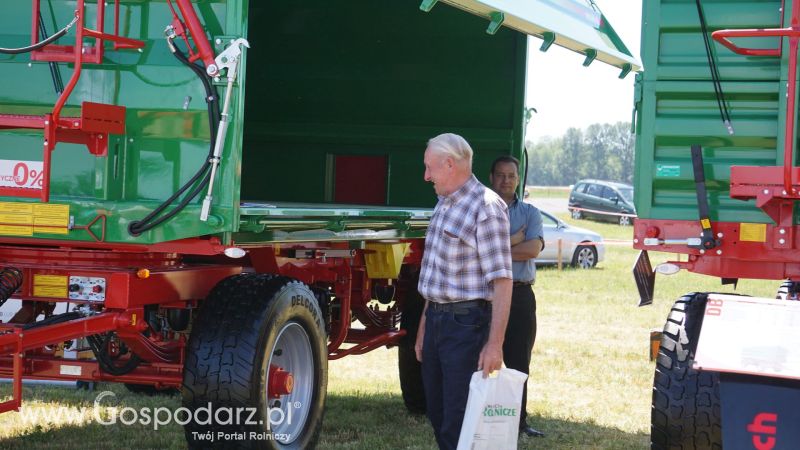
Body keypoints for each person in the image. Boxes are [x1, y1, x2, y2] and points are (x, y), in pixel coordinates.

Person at [415, 133, 514, 450]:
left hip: (466, 326)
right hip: (437, 322)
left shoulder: (487, 207)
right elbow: (435, 276)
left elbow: (502, 281)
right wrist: (423, 327)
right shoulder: (444, 202)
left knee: (460, 419)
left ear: (449, 164)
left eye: (430, 168)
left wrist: (495, 344)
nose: (426, 176)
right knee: (438, 412)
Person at [489, 155, 545, 438]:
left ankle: (519, 423)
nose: (506, 180)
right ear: (491, 177)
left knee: (519, 360)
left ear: (518, 179)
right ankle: (479, 417)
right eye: (500, 175)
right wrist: (514, 242)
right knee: (480, 358)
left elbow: (533, 250)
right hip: (485, 297)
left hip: (520, 295)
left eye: (511, 175)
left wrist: (492, 251)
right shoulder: (481, 210)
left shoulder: (531, 213)